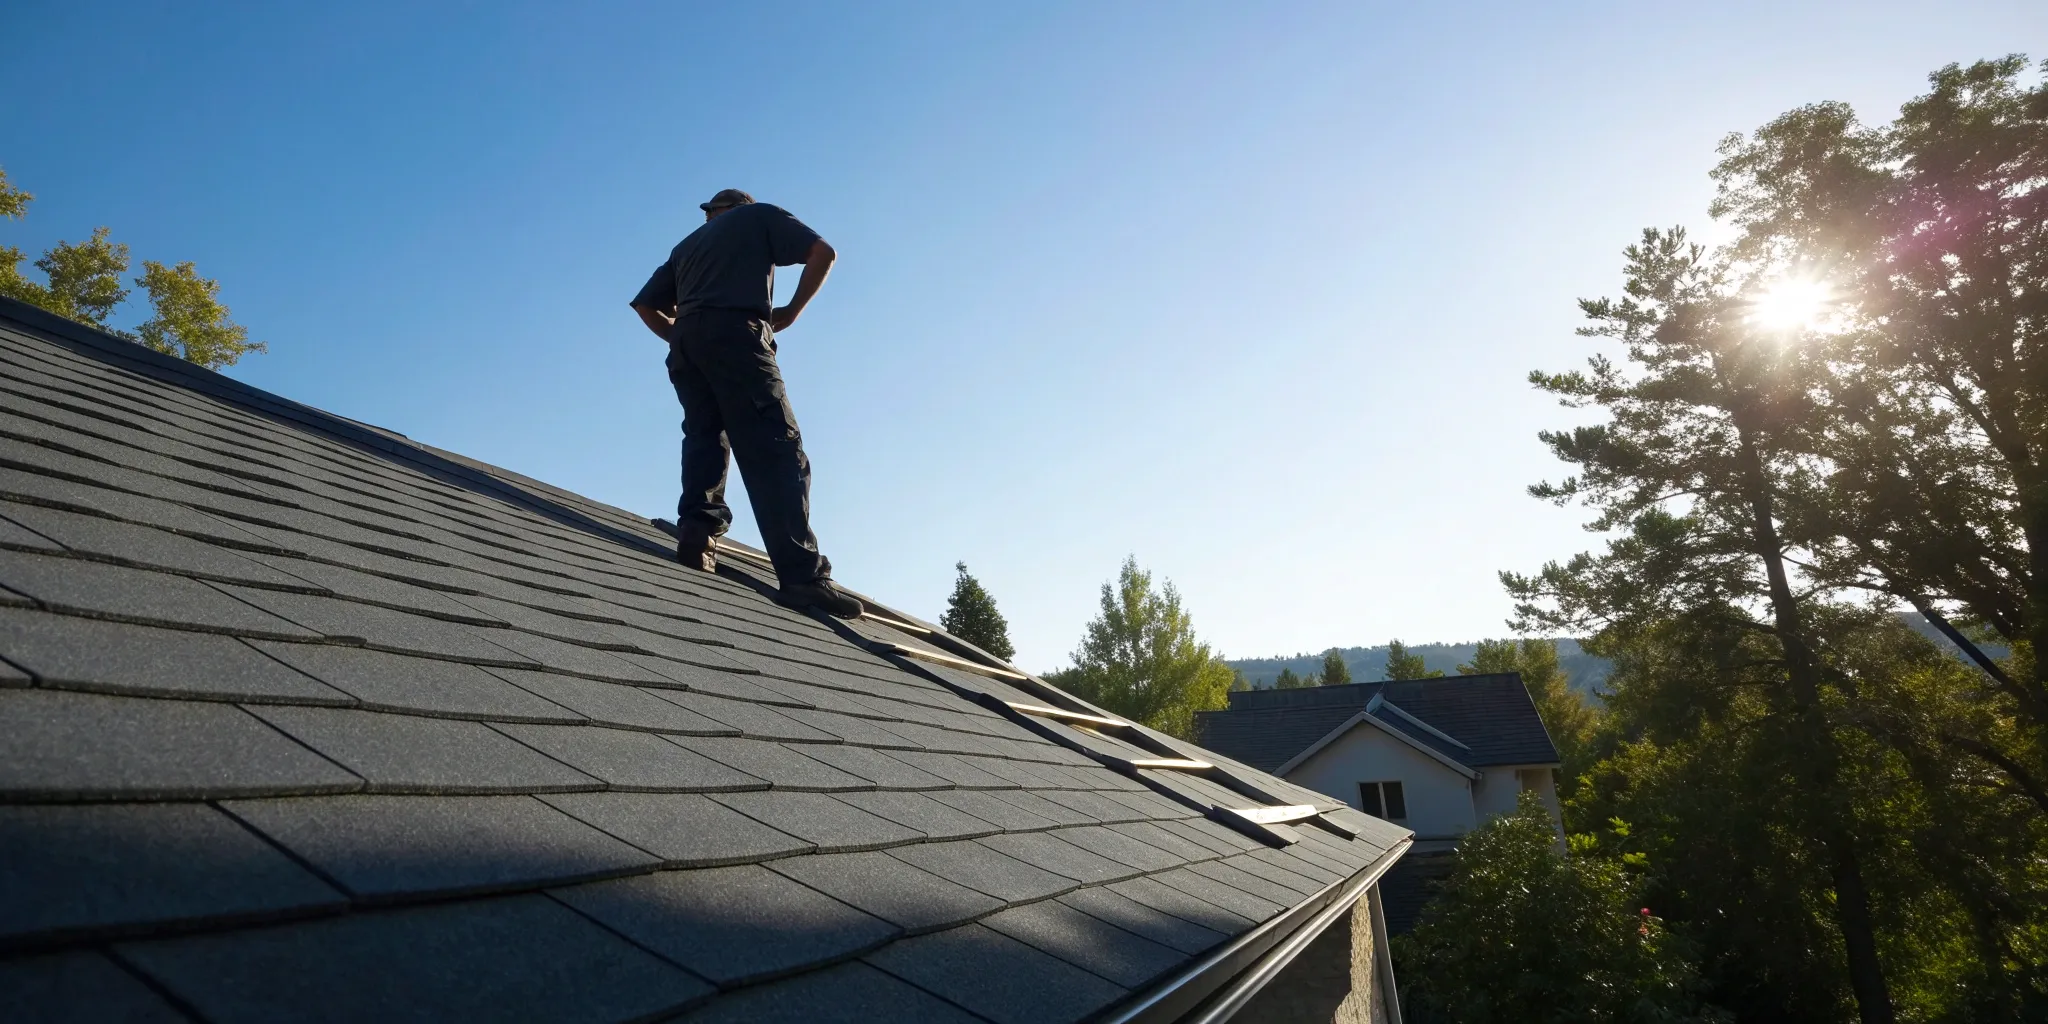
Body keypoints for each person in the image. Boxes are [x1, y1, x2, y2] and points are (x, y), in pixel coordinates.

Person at [630, 188, 862, 618]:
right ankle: (802, 578)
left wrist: (685, 337)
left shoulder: (685, 247)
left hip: (687, 345)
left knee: (705, 435)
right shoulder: (759, 216)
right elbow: (823, 252)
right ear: (741, 207)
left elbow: (646, 305)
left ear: (715, 212)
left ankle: (697, 536)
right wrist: (790, 311)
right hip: (738, 333)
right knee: (777, 447)